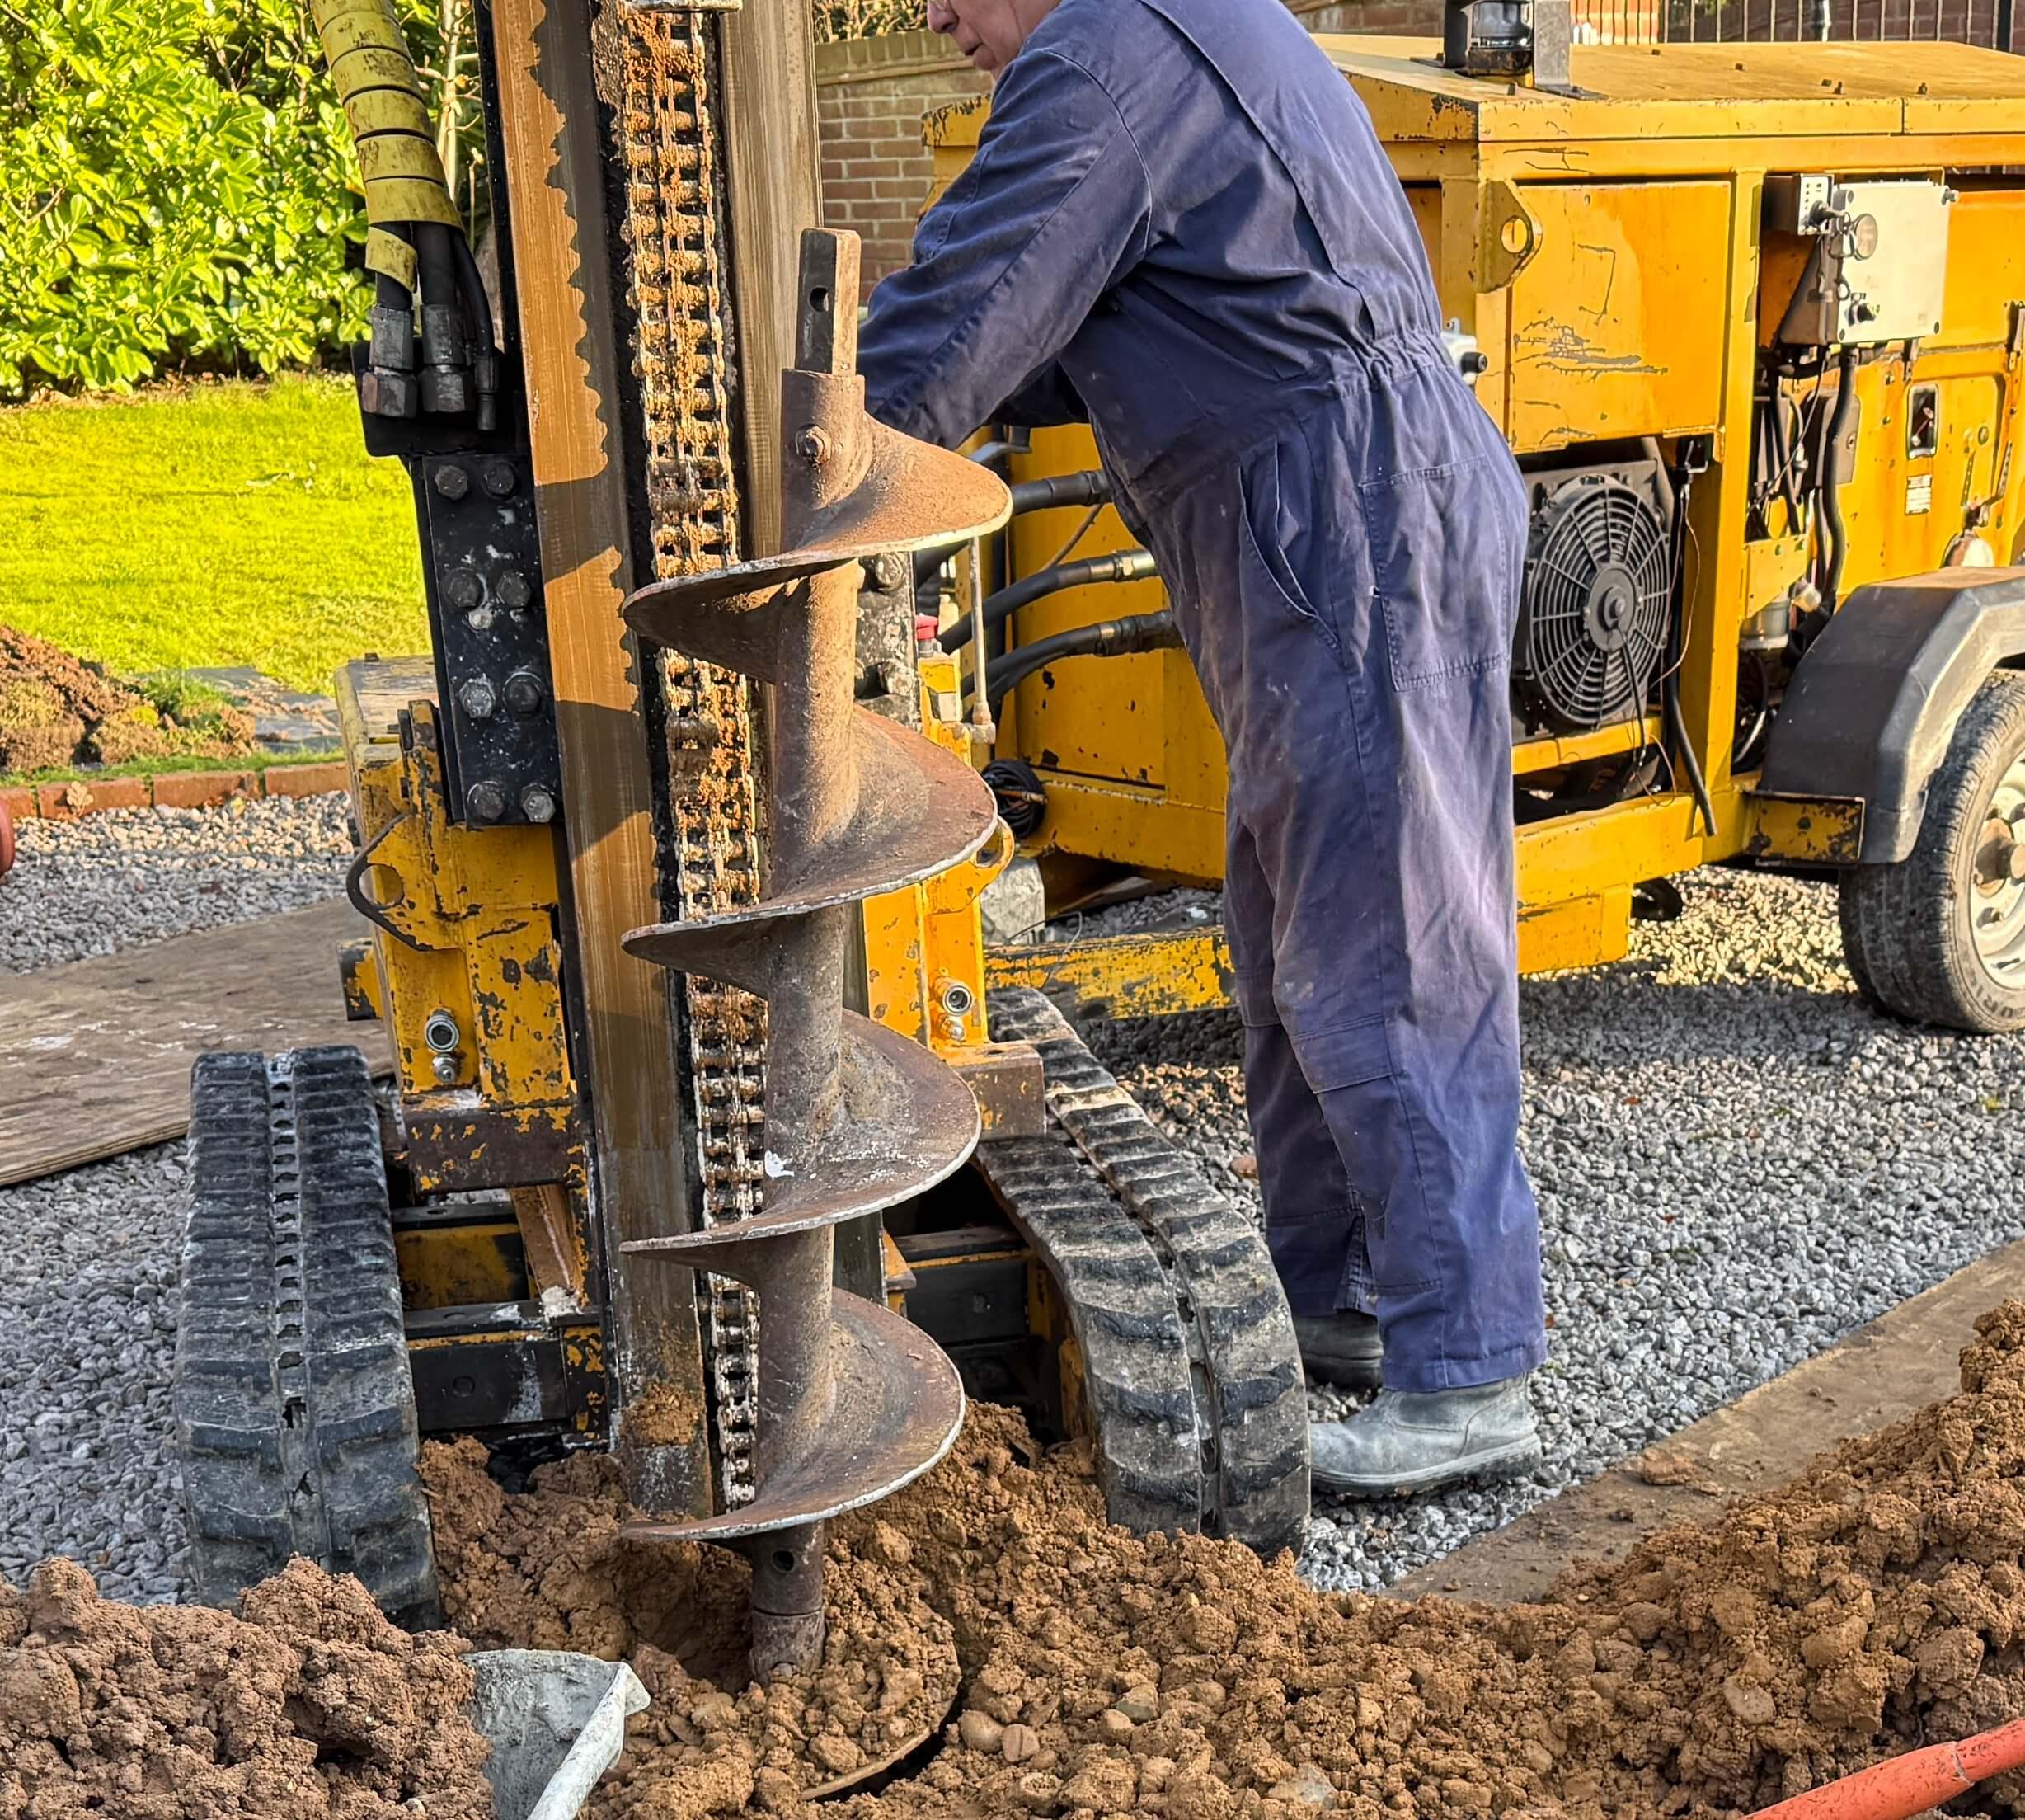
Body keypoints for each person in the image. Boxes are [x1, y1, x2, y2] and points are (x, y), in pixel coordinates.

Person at [857, 0, 1546, 1495]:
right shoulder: (1158, 42)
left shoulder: (1104, 55)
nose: (931, 20)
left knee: (1386, 949)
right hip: (1327, 505)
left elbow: (959, 328)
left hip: (1345, 506)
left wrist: (809, 454)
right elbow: (1043, 334)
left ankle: (1469, 1370)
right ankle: (1339, 1304)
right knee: (1295, 929)